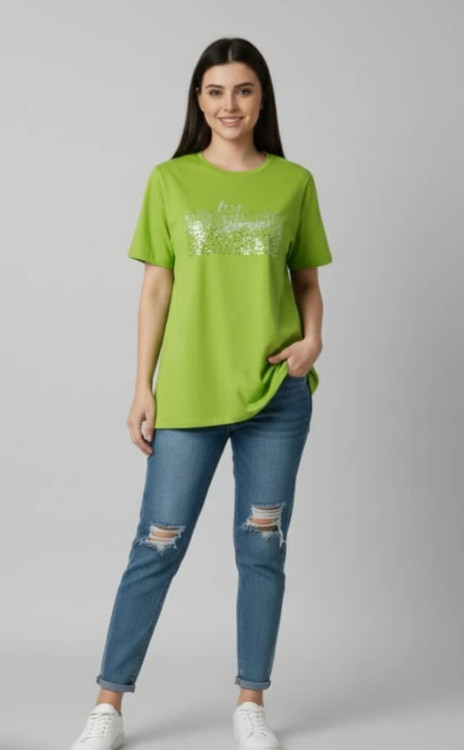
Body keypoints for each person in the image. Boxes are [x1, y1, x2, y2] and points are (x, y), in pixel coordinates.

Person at [70, 35, 333, 750]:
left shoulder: (293, 182)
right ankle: (108, 705)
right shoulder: (170, 180)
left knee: (263, 547)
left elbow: (307, 282)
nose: (229, 105)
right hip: (188, 394)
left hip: (277, 396)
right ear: (199, 100)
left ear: (262, 99)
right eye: (216, 92)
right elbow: (156, 287)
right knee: (156, 546)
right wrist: (142, 386)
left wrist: (313, 341)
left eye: (243, 90)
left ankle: (251, 701)